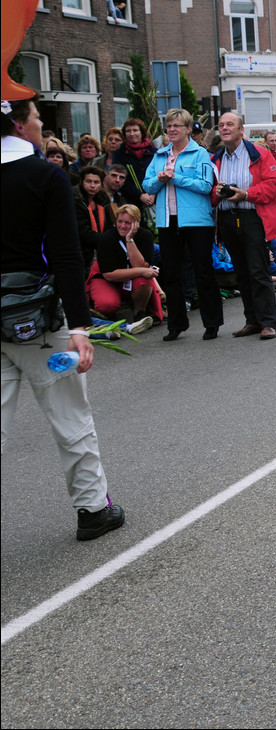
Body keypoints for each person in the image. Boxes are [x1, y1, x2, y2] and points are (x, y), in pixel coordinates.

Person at [1, 98, 125, 540]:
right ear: (18, 124)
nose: (40, 123)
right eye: (35, 117)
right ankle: (93, 509)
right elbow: (67, 255)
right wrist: (79, 326)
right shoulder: (45, 176)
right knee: (70, 415)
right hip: (39, 324)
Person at [142, 108, 222, 341]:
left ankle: (212, 322)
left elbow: (206, 186)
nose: (172, 130)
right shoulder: (159, 156)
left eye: (177, 125)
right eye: (169, 126)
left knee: (203, 271)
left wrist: (176, 177)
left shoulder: (199, 154)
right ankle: (176, 324)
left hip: (197, 221)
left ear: (188, 129)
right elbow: (147, 186)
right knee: (172, 273)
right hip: (168, 220)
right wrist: (159, 178)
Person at [211, 111, 276, 340]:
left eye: (229, 124)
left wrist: (246, 194)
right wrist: (215, 193)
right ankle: (252, 320)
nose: (224, 128)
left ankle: (267, 322)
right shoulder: (215, 158)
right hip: (226, 219)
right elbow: (211, 194)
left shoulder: (259, 154)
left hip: (252, 217)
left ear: (241, 130)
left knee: (258, 270)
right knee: (242, 273)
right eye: (221, 125)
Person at [89, 204, 162, 329]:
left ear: (136, 223)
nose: (122, 226)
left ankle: (139, 312)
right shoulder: (107, 238)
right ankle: (108, 317)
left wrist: (130, 240)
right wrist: (142, 270)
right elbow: (109, 274)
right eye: (120, 221)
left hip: (131, 276)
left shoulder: (145, 236)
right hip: (107, 278)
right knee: (107, 304)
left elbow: (140, 265)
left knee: (145, 279)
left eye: (128, 223)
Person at [111, 117, 156, 208]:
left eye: (135, 130)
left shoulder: (154, 152)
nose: (132, 134)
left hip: (154, 201)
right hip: (130, 202)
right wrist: (139, 195)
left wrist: (153, 194)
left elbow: (159, 175)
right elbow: (119, 178)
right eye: (128, 131)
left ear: (142, 132)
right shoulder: (119, 154)